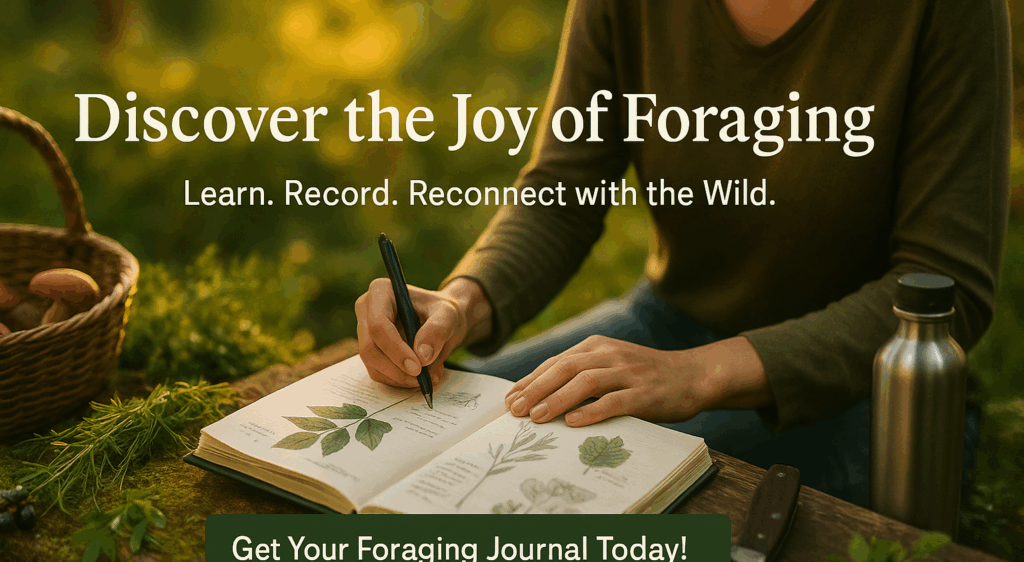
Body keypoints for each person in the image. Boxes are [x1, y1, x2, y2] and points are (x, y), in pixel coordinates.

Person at [355, 0, 1010, 506]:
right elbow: (565, 190)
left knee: (534, 506)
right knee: (412, 466)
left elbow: (944, 285)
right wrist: (460, 303)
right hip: (665, 329)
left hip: (872, 392)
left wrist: (696, 375)